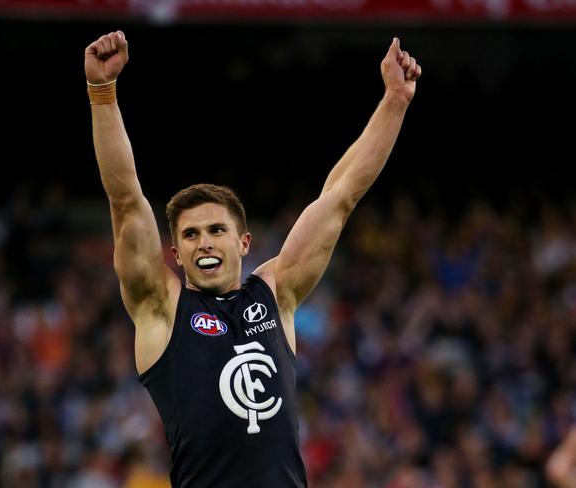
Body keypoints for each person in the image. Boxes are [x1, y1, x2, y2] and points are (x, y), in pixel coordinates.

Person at [84, 30, 421, 488]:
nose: (204, 242)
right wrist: (103, 96)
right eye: (191, 235)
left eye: (216, 230)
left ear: (243, 242)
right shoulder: (162, 309)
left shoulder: (275, 292)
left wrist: (395, 101)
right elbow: (125, 202)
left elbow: (340, 197)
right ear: (176, 252)